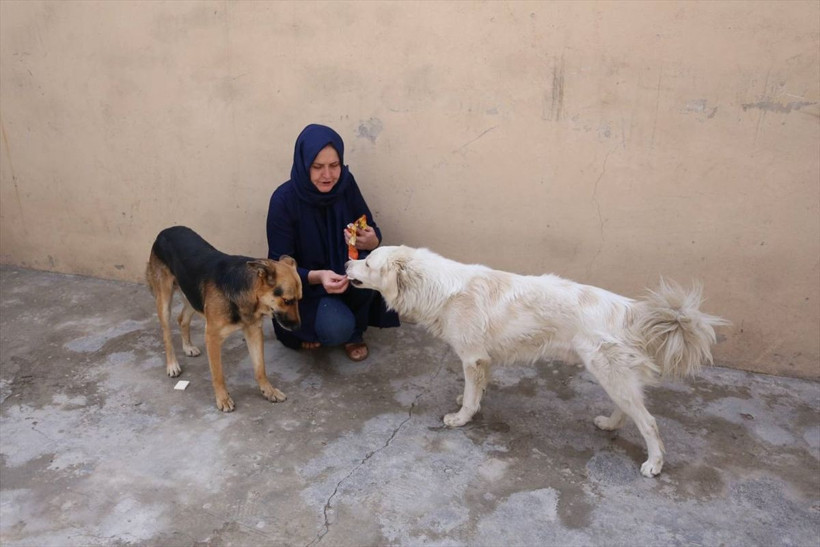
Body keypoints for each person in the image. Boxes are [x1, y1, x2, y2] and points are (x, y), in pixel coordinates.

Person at [266, 124, 399, 361]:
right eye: (317, 167)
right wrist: (318, 277)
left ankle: (354, 332)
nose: (327, 175)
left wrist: (371, 240)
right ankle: (322, 327)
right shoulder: (283, 201)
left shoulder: (346, 185)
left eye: (334, 166)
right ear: (304, 164)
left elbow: (370, 229)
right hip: (308, 289)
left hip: (347, 277)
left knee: (375, 263)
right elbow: (280, 267)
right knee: (335, 328)